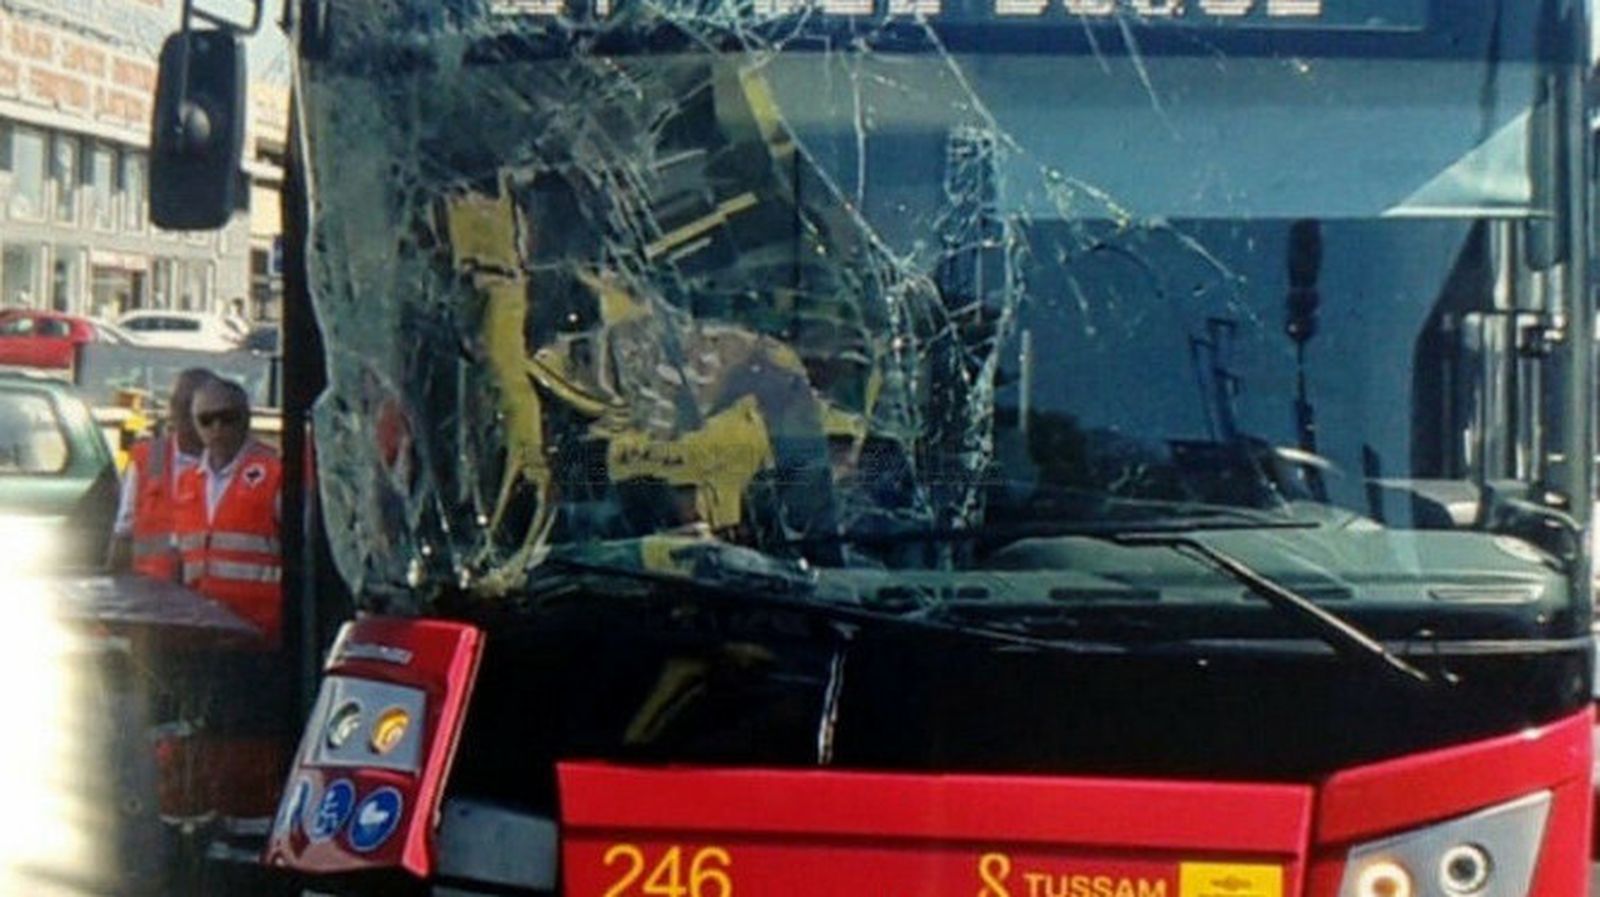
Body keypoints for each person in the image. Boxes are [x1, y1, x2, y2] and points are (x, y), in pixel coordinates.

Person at [173, 377, 284, 644]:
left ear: (246, 418)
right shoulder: (187, 482)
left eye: (227, 417)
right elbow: (182, 561)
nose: (217, 428)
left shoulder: (275, 472)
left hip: (261, 634)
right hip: (203, 632)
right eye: (206, 420)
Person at [111, 368, 216, 578]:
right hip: (153, 592)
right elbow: (124, 532)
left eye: (197, 408)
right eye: (182, 405)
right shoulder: (148, 457)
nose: (188, 415)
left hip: (213, 595)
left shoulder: (231, 463)